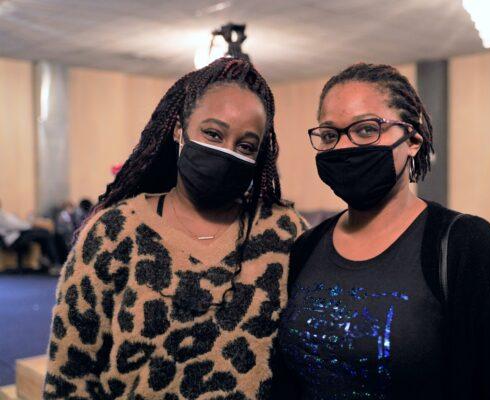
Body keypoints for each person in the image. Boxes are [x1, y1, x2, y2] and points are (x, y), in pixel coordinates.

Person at [274, 63, 490, 400]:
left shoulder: (470, 248)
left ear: (413, 140)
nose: (343, 148)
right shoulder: (307, 248)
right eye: (330, 134)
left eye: (365, 129)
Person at [43, 58, 306, 399]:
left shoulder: (284, 233)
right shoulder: (115, 232)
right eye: (213, 133)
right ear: (179, 129)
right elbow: (69, 376)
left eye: (245, 146)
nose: (227, 152)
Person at [0, 198, 60, 271]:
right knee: (44, 233)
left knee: (44, 234)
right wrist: (31, 224)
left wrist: (29, 225)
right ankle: (53, 261)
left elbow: (18, 223)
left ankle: (47, 260)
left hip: (19, 234)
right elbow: (16, 225)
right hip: (13, 240)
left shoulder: (3, 213)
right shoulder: (1, 215)